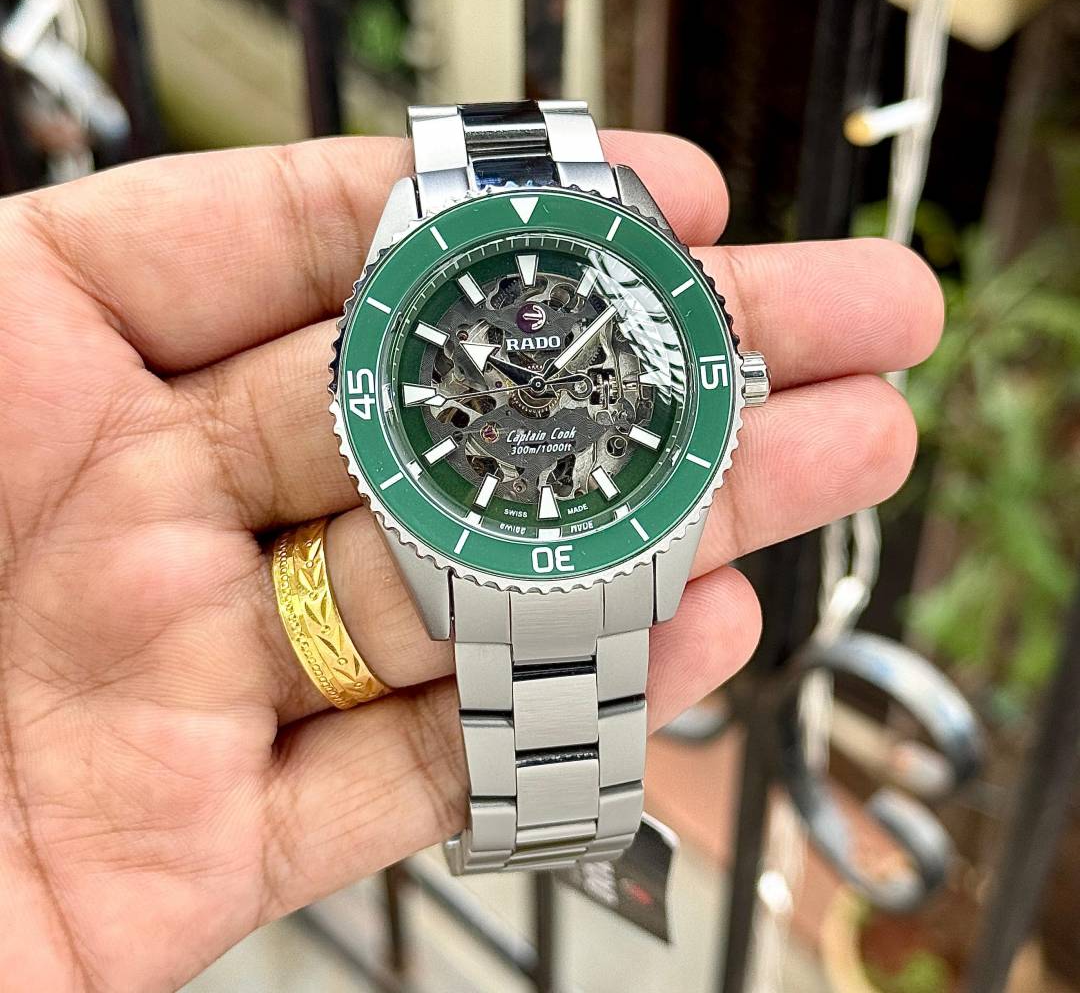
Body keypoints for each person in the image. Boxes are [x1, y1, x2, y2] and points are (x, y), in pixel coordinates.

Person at [0, 130, 942, 990]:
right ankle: (545, 823)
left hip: (543, 509)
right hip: (493, 516)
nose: (538, 382)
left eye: (556, 368)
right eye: (519, 368)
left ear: (733, 383)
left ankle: (546, 822)